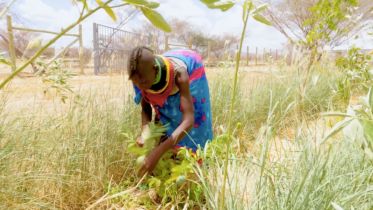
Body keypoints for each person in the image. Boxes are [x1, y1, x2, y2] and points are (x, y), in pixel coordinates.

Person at [127, 46, 213, 176]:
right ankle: (172, 151)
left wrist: (157, 152)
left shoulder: (180, 75)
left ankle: (198, 162)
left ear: (155, 70)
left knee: (196, 124)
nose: (139, 86)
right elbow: (145, 105)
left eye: (143, 82)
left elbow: (189, 121)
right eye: (136, 82)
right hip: (158, 70)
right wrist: (145, 131)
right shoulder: (139, 75)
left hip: (192, 66)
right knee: (166, 116)